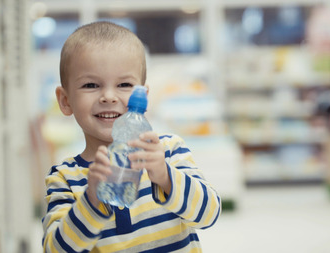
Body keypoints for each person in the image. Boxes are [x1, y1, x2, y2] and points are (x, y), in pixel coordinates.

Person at [42, 21, 221, 252]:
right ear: (65, 101)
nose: (108, 96)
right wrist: (90, 202)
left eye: (124, 84)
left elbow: (209, 214)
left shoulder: (168, 151)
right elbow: (54, 249)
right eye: (91, 85)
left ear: (143, 96)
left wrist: (165, 176)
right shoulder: (65, 179)